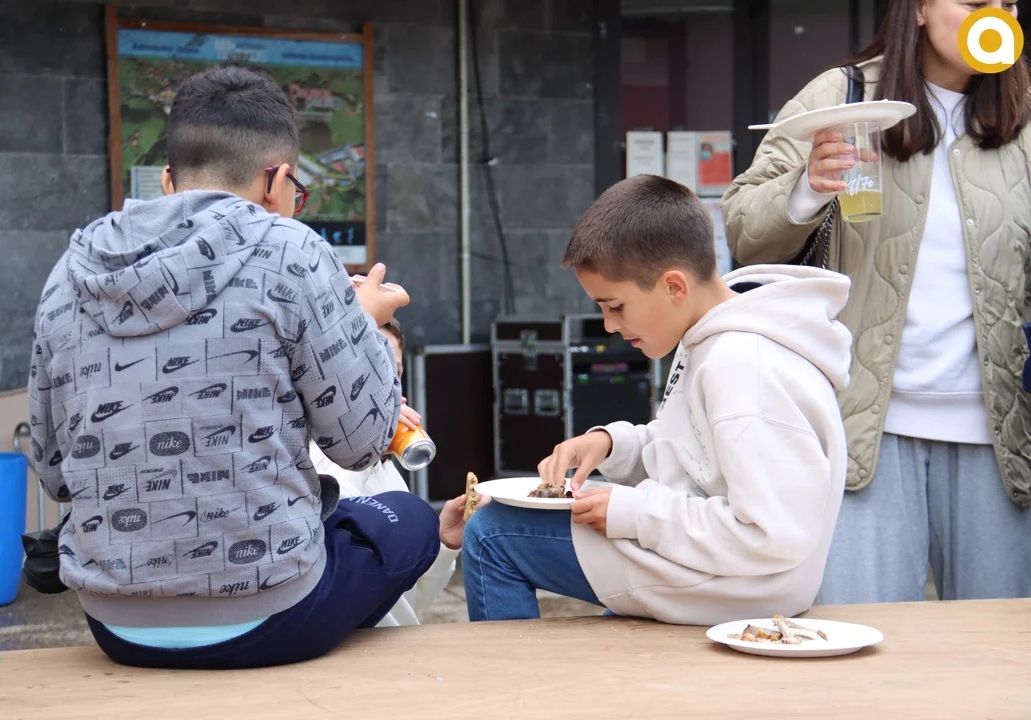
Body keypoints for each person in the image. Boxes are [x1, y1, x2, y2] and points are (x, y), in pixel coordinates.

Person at [26, 63, 442, 669]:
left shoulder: (69, 273)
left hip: (116, 624)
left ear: (169, 180)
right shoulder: (294, 252)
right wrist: (360, 326)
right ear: (277, 179)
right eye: (296, 190)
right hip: (272, 618)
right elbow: (362, 443)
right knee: (409, 519)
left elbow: (55, 475)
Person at [721, 0, 1031, 604]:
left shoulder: (1023, 113)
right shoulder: (841, 97)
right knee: (865, 639)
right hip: (862, 429)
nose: (994, 17)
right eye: (974, 3)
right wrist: (806, 187)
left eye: (1008, 3)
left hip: (1002, 442)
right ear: (920, 9)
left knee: (999, 646)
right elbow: (743, 228)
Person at [463, 175, 853, 625]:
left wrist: (634, 513)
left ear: (674, 287)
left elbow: (774, 534)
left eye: (616, 306)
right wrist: (613, 446)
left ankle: (510, 675)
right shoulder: (711, 335)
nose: (609, 325)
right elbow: (698, 455)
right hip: (714, 567)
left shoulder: (744, 365)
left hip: (740, 587)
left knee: (491, 535)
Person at [310, 319, 486, 626]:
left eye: (395, 373)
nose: (389, 388)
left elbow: (409, 601)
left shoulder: (385, 469)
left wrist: (444, 544)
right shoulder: (314, 469)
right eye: (371, 370)